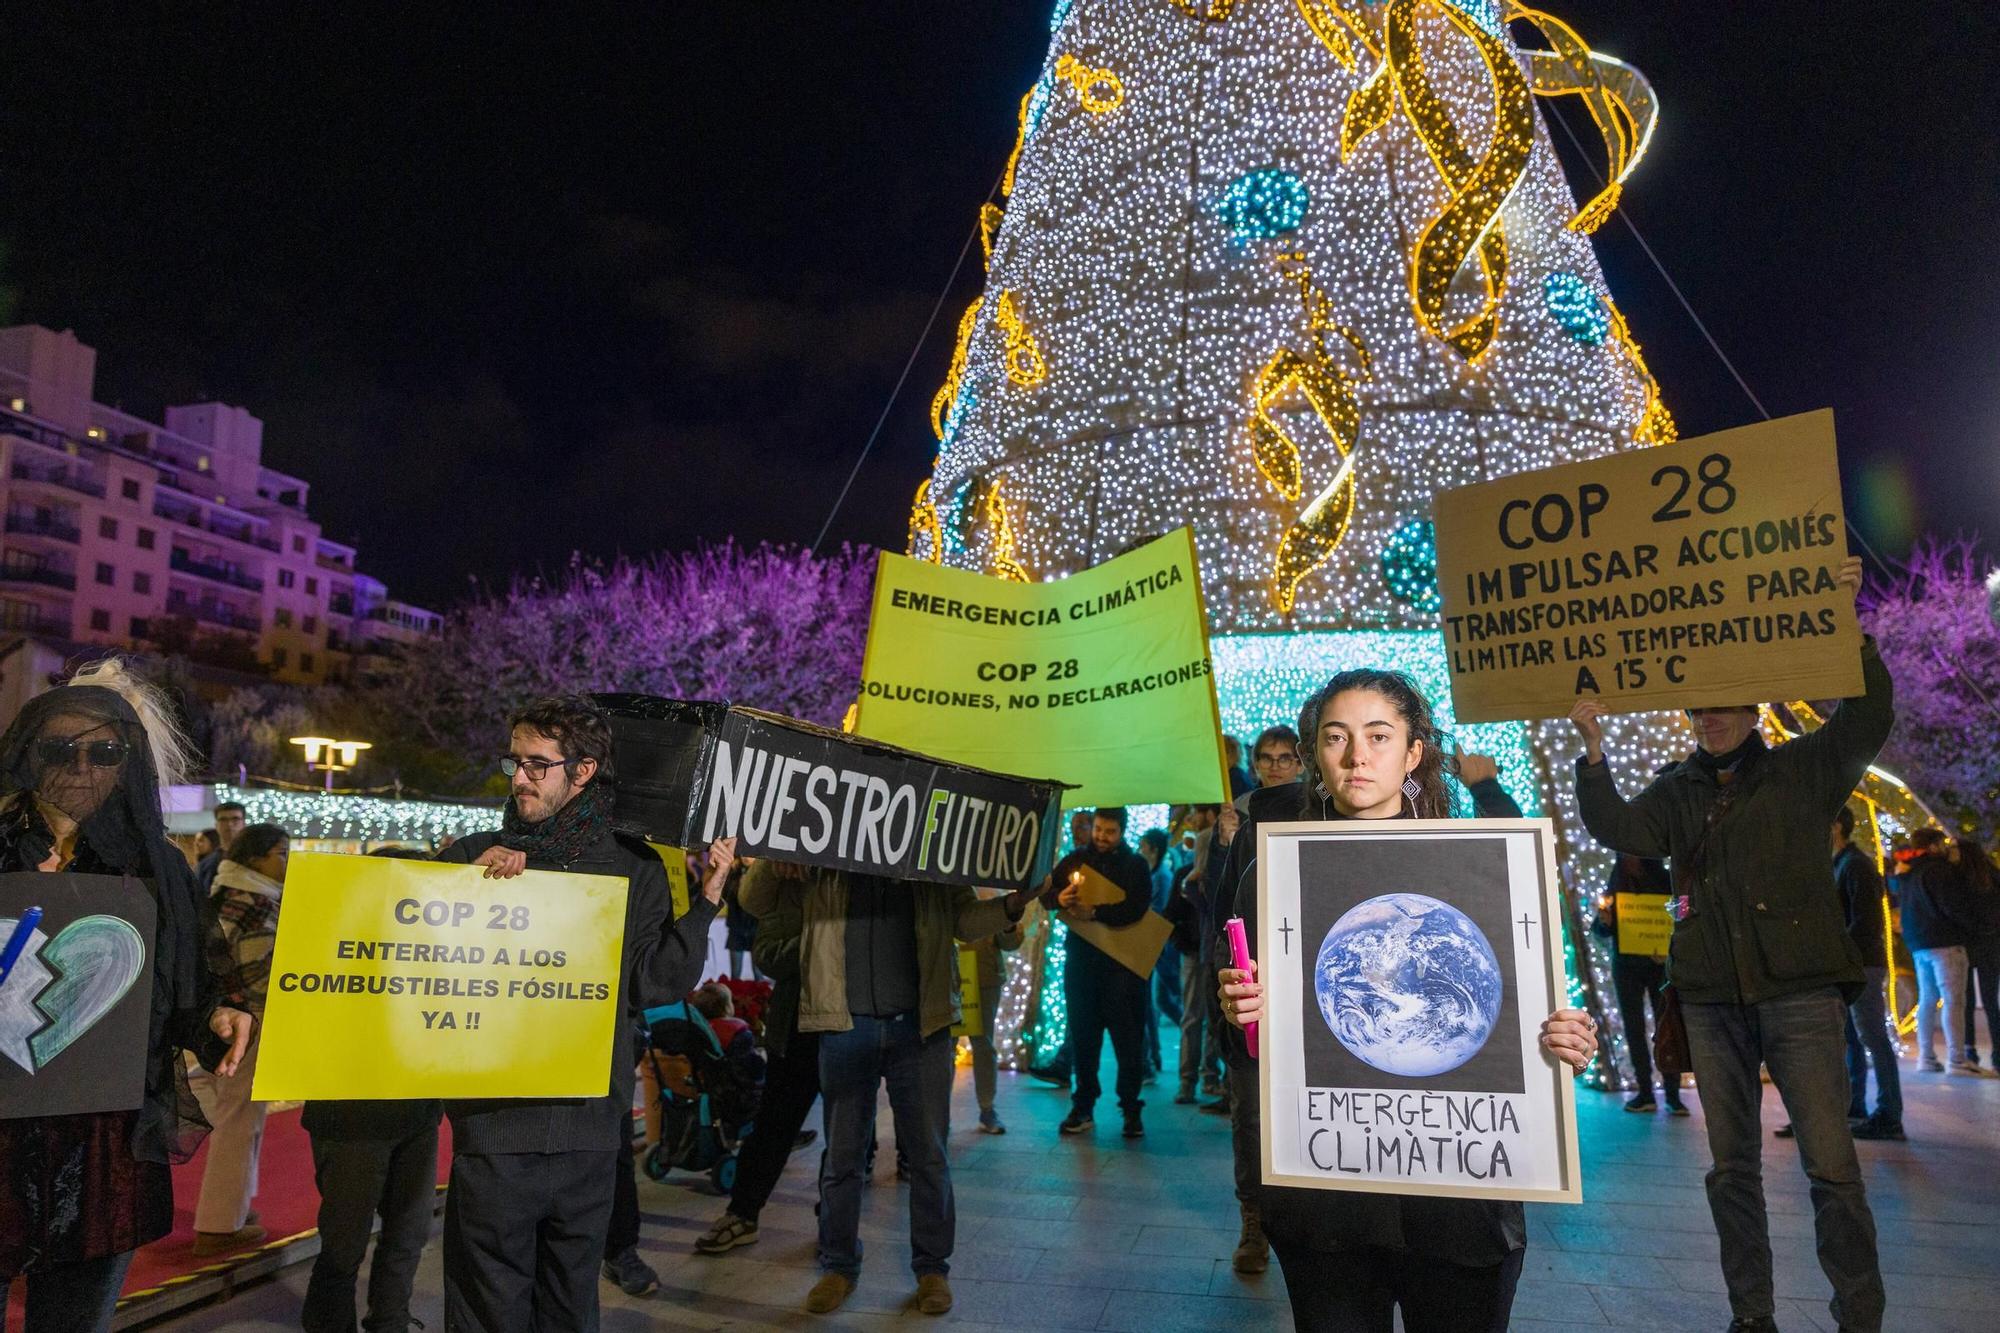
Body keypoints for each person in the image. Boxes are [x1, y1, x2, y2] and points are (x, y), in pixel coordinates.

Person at [1218, 668, 1597, 1331]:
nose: (1357, 756)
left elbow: (1521, 1003)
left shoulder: (1480, 863)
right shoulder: (1271, 873)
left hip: (1457, 1207)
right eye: (1336, 737)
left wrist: (1566, 1040)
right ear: (1315, 754)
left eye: (1378, 735)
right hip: (1328, 1207)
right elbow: (1244, 1048)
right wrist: (1238, 1015)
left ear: (1413, 751)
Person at [1570, 554, 1891, 1333]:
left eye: (1722, 707)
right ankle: (1752, 1315)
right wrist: (1592, 746)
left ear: (1752, 711)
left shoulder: (1802, 769)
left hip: (1800, 992)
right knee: (1731, 1170)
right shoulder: (1677, 791)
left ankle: (1860, 1313)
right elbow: (1616, 825)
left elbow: (1868, 717)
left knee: (1832, 1166)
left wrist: (1850, 626)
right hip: (1712, 998)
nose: (1708, 719)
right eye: (1697, 710)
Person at [435, 695, 734, 1333]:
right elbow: (419, 968)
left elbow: (655, 983)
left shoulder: (634, 866)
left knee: (570, 1308)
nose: (518, 777)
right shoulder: (472, 855)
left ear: (585, 771)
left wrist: (708, 898)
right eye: (515, 761)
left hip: (589, 1137)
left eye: (537, 765)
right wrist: (462, 893)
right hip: (494, 1135)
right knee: (488, 1310)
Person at [0, 659, 255, 1333]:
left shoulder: (157, 868)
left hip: (101, 1148)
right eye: (61, 748)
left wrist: (216, 1020)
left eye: (105, 750)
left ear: (129, 760)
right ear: (29, 752)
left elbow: (184, 986)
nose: (82, 765)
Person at [739, 862, 1036, 1316]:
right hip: (843, 1024)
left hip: (922, 1027)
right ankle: (837, 1266)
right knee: (842, 1158)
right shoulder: (826, 841)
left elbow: (964, 918)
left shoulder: (933, 850)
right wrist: (773, 862)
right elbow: (752, 901)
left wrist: (1012, 905)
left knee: (929, 1157)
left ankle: (932, 1268)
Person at [301, 846, 444, 1333]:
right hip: (351, 1118)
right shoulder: (331, 941)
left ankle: (390, 1319)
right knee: (344, 1242)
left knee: (409, 1234)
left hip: (418, 1113)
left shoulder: (438, 948)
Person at [1205, 724, 1303, 1272]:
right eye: (1266, 759)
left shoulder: (1323, 817)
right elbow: (1222, 915)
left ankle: (1298, 1220)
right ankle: (1254, 1224)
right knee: (1250, 1122)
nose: (1275, 768)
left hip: (1307, 1003)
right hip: (1251, 1002)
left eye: (1286, 759)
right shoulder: (1242, 826)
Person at [695, 858, 820, 1257]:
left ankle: (837, 1225)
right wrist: (820, 947)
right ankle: (743, 1213)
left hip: (860, 1024)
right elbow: (767, 950)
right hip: (798, 1020)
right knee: (773, 1124)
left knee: (852, 1132)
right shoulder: (789, 874)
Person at [189, 822, 290, 1255]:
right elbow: (234, 966)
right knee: (238, 1120)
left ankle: (233, 1209)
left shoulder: (238, 894)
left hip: (240, 1019)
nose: (287, 862)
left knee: (246, 1118)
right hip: (244, 1022)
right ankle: (217, 1226)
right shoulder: (247, 901)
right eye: (280, 853)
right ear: (256, 858)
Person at [1050, 807, 1156, 1140]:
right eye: (1098, 829)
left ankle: (1130, 1108)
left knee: (1128, 1043)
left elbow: (1137, 907)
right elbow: (1047, 893)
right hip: (1081, 966)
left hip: (1123, 972)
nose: (1101, 837)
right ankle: (1083, 1106)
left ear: (1122, 831)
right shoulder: (1074, 861)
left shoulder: (1135, 865)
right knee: (1084, 1040)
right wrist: (1060, 898)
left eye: (1109, 831)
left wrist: (1095, 912)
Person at [1589, 854, 1686, 1114]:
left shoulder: (1666, 882)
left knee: (1667, 1027)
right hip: (1627, 967)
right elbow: (1599, 929)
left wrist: (1670, 946)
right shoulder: (1617, 884)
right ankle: (1645, 1092)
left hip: (1659, 967)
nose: (1629, 861)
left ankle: (1673, 1094)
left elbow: (1681, 917)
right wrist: (1604, 921)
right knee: (1634, 1029)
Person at [1831, 806, 1904, 1140]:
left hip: (1861, 965)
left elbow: (1865, 923)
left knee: (1872, 1036)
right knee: (1852, 1037)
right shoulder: (1841, 864)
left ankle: (1889, 1113)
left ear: (1837, 826)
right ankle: (1854, 1105)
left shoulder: (1855, 865)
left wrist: (1839, 952)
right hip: (1849, 964)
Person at [1897, 827, 1990, 1076]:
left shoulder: (1908, 872)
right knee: (1953, 1001)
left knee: (1927, 1000)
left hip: (1919, 945)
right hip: (1946, 942)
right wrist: (1974, 927)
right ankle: (1957, 1060)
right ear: (1935, 845)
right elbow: (1954, 907)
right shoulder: (1939, 871)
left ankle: (1926, 1057)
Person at [1166, 805, 1222, 1105]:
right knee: (1194, 1016)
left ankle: (1207, 1076)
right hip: (1194, 951)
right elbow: (1171, 915)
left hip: (1212, 950)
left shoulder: (1215, 876)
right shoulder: (1183, 876)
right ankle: (1189, 1080)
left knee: (1212, 1018)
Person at [964, 897, 1024, 1134]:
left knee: (983, 1043)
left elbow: (1010, 942)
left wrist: (1008, 922)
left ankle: (987, 1108)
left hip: (984, 975)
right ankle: (939, 1113)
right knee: (943, 1047)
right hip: (948, 972)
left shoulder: (992, 891)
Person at [1950, 835, 2000, 1071]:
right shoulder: (1992, 875)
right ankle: (1998, 1053)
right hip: (1992, 945)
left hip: (1967, 944)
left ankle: (1970, 1049)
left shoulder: (1957, 878)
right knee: (1991, 1002)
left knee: (1966, 1001)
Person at [1137, 826, 1174, 1078]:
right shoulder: (1156, 874)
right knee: (1154, 1001)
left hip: (1154, 945)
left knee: (1151, 1002)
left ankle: (1150, 1058)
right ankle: (1153, 1055)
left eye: (1143, 846)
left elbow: (1157, 911)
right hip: (1151, 945)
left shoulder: (1160, 876)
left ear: (1153, 849)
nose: (1141, 851)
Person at [195, 799, 246, 895]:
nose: (229, 824)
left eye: (235, 819)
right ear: (216, 825)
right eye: (223, 820)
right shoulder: (207, 863)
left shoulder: (255, 858)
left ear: (244, 823)